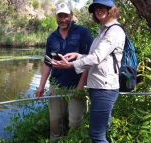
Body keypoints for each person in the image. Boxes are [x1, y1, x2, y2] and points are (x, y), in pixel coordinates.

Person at [51, 0, 125, 142]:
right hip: (98, 86)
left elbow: (96, 58)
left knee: (96, 134)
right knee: (103, 130)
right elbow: (97, 56)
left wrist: (72, 65)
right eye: (96, 8)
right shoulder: (104, 30)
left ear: (111, 9)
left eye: (102, 7)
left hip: (105, 88)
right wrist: (77, 56)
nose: (98, 10)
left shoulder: (114, 31)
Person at [35, 1, 93, 142]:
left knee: (75, 122)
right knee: (55, 121)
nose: (63, 19)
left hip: (76, 85)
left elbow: (89, 61)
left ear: (71, 15)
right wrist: (41, 86)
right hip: (56, 84)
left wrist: (80, 86)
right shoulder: (52, 37)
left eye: (66, 16)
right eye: (60, 16)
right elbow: (48, 64)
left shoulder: (82, 32)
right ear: (56, 16)